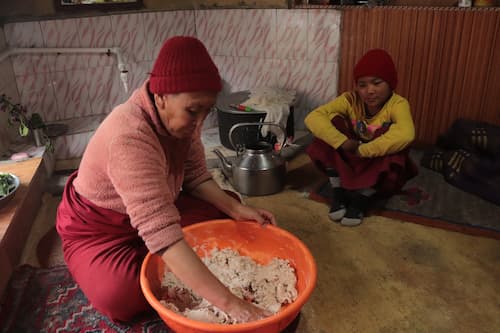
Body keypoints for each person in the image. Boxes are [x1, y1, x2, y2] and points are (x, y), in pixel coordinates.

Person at [56, 36, 276, 323]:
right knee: (120, 296)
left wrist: (236, 209)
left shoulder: (181, 124)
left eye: (206, 111)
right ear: (160, 97)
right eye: (193, 111)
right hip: (101, 230)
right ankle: (132, 260)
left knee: (228, 208)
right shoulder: (130, 137)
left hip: (155, 209)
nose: (200, 123)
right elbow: (161, 231)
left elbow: (197, 177)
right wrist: (233, 304)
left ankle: (163, 257)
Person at [305, 48, 418, 226]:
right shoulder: (350, 99)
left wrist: (364, 150)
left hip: (374, 156)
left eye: (377, 83)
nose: (369, 91)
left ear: (390, 83)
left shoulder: (398, 103)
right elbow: (313, 117)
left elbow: (406, 133)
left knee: (398, 144)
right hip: (352, 150)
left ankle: (361, 198)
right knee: (329, 126)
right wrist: (341, 141)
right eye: (362, 85)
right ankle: (339, 191)